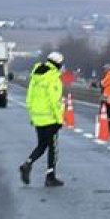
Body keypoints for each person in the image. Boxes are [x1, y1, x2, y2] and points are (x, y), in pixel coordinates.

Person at [21, 52, 66, 187]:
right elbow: (54, 101)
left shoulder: (35, 77)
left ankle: (28, 163)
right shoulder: (53, 78)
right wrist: (59, 119)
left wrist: (32, 116)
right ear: (58, 64)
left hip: (38, 118)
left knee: (41, 145)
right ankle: (50, 176)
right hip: (50, 119)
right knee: (53, 148)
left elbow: (29, 99)